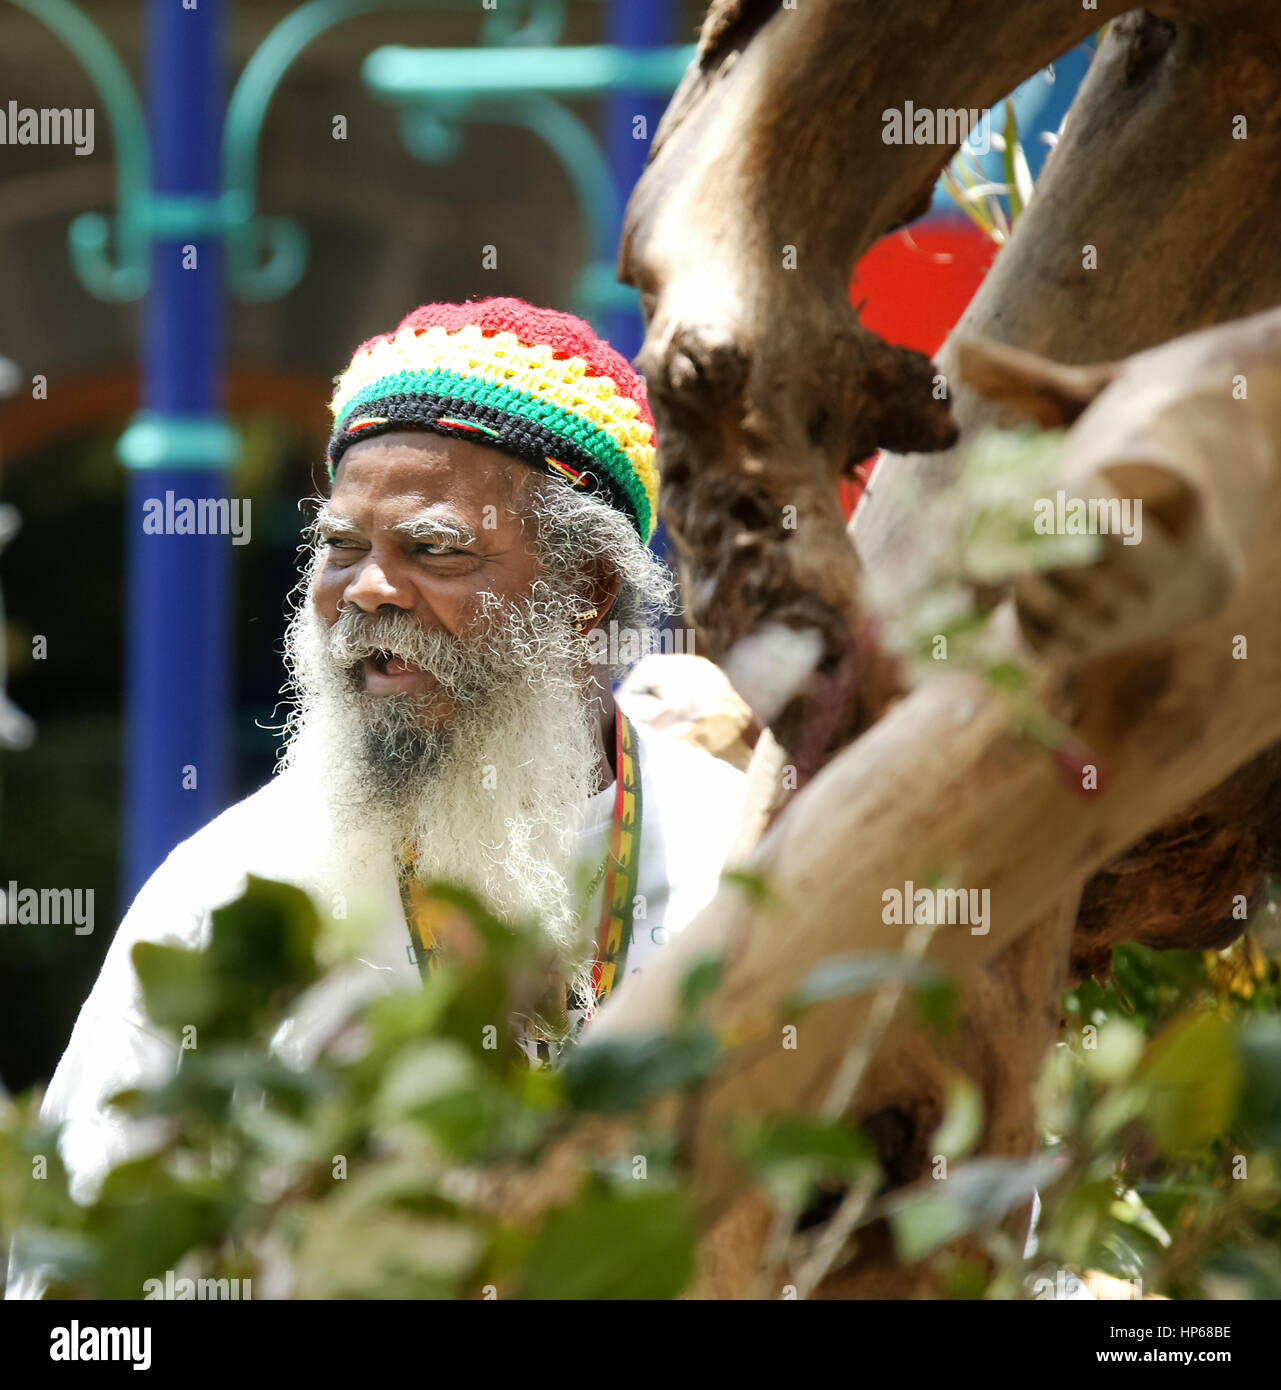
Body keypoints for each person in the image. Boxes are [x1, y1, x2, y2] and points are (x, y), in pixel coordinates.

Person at [10, 299, 747, 1279]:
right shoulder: (230, 889)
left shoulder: (741, 854)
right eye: (342, 546)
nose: (366, 589)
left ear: (588, 592)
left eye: (433, 549)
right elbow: (72, 1281)